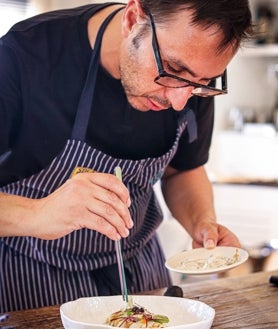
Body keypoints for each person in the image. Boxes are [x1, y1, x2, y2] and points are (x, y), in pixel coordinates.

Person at [0, 0, 252, 312]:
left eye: (203, 84)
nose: (178, 101)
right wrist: (39, 214)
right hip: (31, 277)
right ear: (133, 18)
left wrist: (202, 223)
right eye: (172, 70)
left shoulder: (190, 81)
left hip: (140, 272)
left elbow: (183, 170)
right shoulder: (24, 55)